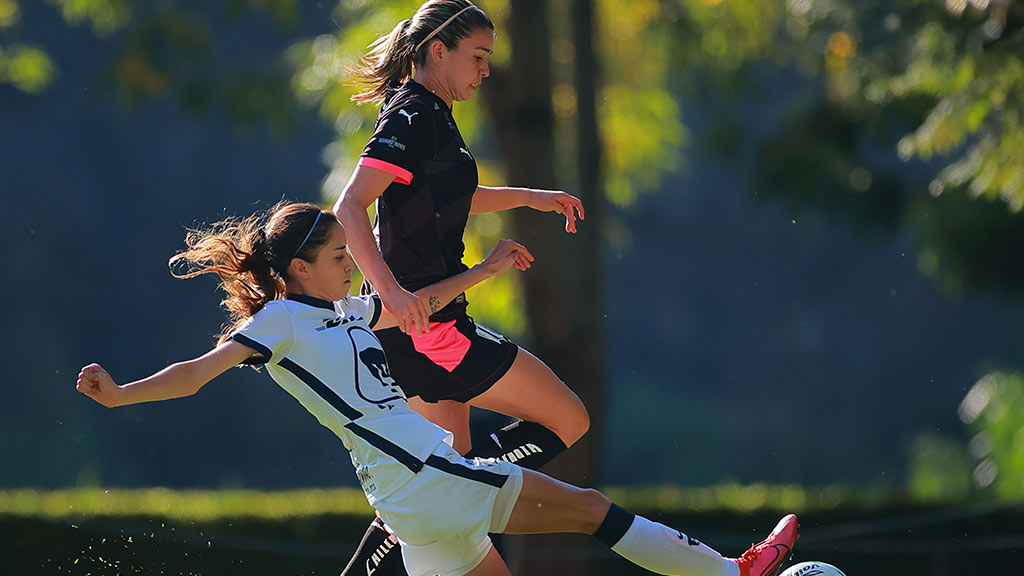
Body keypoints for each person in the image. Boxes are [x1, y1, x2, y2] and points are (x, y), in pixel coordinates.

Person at [77, 202, 799, 576]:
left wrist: (483, 272)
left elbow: (410, 302)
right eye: (337, 257)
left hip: (410, 498)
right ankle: (732, 571)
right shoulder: (283, 324)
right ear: (297, 270)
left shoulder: (343, 311)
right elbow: (197, 373)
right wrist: (120, 394)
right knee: (588, 508)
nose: (350, 267)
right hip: (423, 475)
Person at [336, 3, 589, 567]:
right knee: (569, 420)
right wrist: (393, 296)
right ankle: (457, 482)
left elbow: (444, 198)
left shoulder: (434, 113)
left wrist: (530, 196)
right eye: (478, 57)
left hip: (422, 326)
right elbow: (350, 205)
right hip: (431, 327)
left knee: (437, 477)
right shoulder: (412, 113)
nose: (486, 71)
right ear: (437, 51)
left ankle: (444, 488)